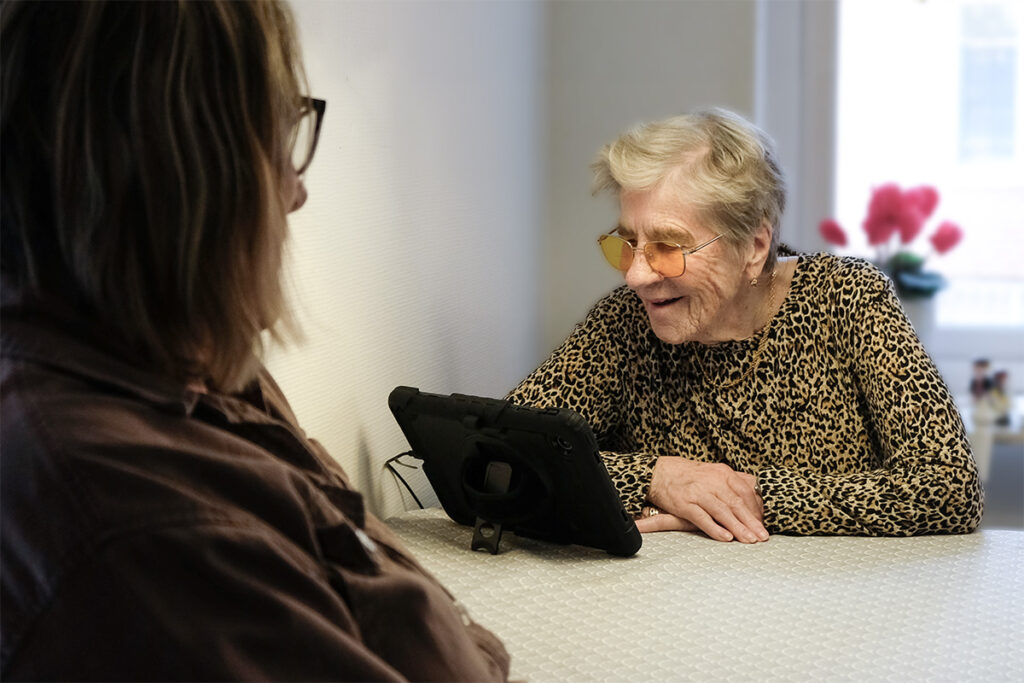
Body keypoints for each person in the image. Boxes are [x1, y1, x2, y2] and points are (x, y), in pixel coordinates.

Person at [0, 2, 509, 680]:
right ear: (182, 171)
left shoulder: (194, 369)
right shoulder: (147, 518)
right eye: (274, 135)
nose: (296, 191)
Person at [507, 108, 982, 543]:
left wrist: (746, 497)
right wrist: (656, 476)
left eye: (669, 246)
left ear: (754, 246)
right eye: (628, 243)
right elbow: (503, 449)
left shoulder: (848, 300)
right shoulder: (624, 323)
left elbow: (949, 486)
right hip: (670, 606)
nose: (635, 275)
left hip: (836, 602)